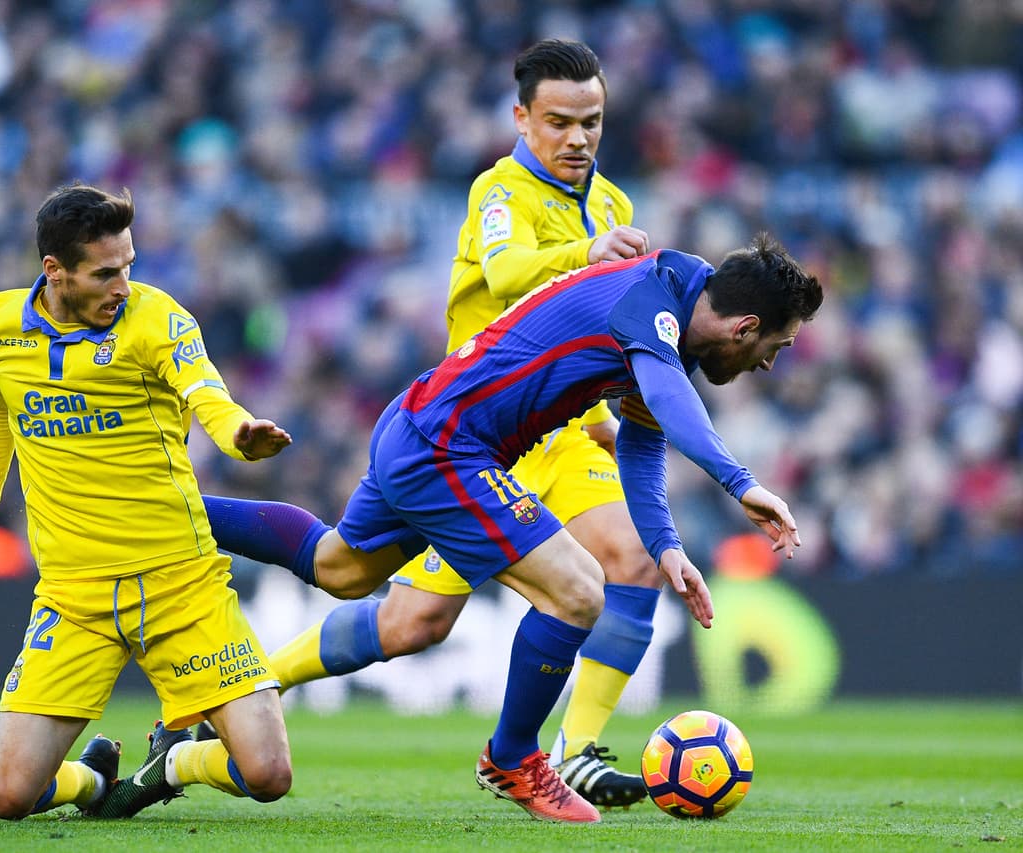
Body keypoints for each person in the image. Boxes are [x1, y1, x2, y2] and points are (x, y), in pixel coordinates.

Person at [195, 234, 821, 822]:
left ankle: (179, 509)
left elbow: (641, 441)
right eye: (778, 347)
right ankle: (513, 759)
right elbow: (669, 404)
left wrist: (665, 547)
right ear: (746, 328)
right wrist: (744, 484)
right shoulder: (653, 307)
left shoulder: (675, 308)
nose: (769, 364)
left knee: (340, 567)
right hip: (450, 447)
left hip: (421, 425)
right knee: (577, 590)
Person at [218, 38, 657, 808]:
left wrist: (617, 412)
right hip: (476, 444)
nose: (578, 138)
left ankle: (578, 748)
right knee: (403, 614)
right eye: (559, 121)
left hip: (566, 433)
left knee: (634, 557)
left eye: (591, 121)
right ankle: (261, 679)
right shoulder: (500, 191)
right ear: (522, 118)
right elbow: (508, 271)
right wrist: (589, 252)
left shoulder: (615, 204)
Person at [0, 183, 296, 820]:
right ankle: (94, 783)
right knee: (11, 797)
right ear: (54, 272)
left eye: (128, 267)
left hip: (182, 584)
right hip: (75, 597)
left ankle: (173, 759)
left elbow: (204, 389)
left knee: (267, 774)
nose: (122, 285)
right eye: (105, 273)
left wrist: (237, 434)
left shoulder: (157, 319)